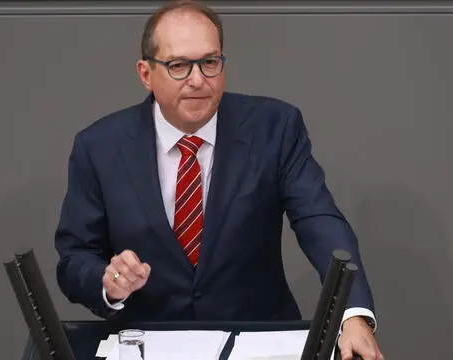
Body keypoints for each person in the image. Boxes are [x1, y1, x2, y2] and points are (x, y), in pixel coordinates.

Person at [54, 0, 384, 359]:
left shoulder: (274, 127)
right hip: (149, 343)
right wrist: (109, 282)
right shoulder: (100, 146)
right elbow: (75, 257)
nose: (198, 80)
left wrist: (352, 314)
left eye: (209, 63)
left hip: (257, 341)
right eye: (178, 66)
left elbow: (319, 220)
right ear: (146, 74)